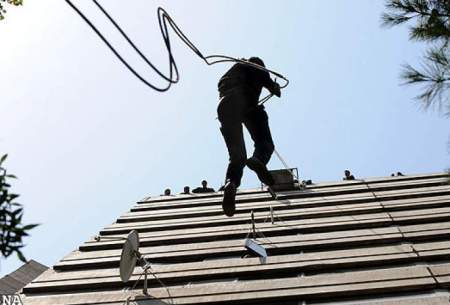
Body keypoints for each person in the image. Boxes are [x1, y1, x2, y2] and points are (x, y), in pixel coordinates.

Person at [217, 57, 281, 217]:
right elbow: (273, 87)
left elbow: (221, 86)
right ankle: (258, 159)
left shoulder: (232, 70)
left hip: (225, 105)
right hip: (247, 103)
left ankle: (230, 184)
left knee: (237, 156)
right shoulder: (255, 67)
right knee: (265, 142)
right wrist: (274, 86)